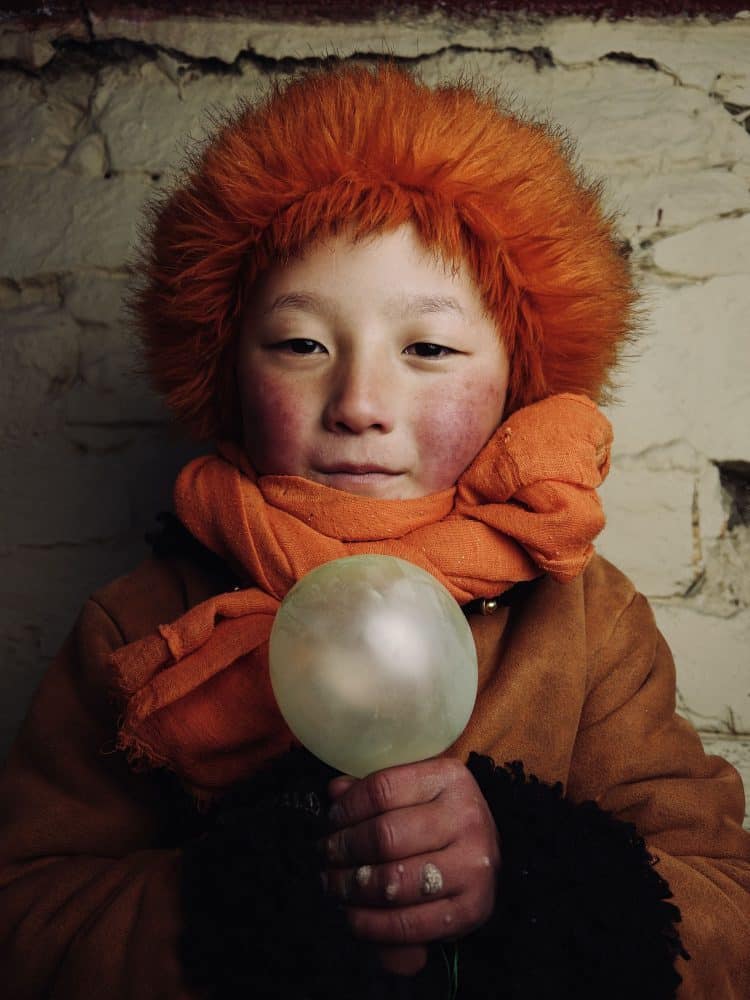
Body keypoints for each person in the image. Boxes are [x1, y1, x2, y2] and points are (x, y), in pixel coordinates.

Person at [0, 61, 748, 1000]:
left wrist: (529, 873)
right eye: (301, 344)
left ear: (517, 382)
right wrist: (250, 895)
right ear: (226, 370)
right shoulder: (141, 629)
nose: (357, 403)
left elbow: (727, 899)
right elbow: (26, 918)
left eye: (428, 349)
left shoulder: (589, 623)